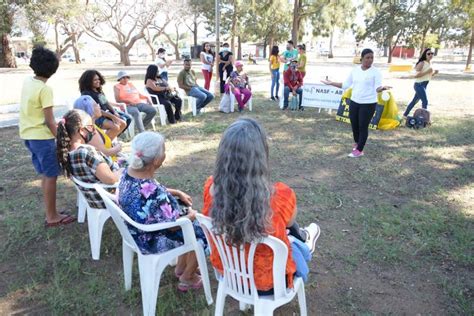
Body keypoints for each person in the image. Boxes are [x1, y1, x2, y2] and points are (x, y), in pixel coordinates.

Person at [202, 118, 320, 294]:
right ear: (261, 155)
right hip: (270, 283)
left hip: (230, 275)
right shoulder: (281, 195)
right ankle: (306, 241)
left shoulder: (210, 188)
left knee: (291, 242)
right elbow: (289, 224)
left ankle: (305, 241)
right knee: (293, 242)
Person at [118, 131, 206, 291]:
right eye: (164, 150)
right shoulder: (154, 193)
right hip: (151, 239)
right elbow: (173, 226)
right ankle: (188, 277)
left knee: (189, 222)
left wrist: (177, 193)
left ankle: (181, 268)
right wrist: (191, 216)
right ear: (157, 160)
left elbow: (149, 190)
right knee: (202, 230)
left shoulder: (128, 172)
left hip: (135, 231)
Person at [19, 46, 76, 227]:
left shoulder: (28, 81)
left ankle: (52, 212)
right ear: (53, 69)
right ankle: (52, 217)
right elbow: (50, 121)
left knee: (45, 174)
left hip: (28, 136)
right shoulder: (45, 90)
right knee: (51, 175)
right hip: (42, 138)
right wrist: (63, 141)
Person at [322, 48, 391, 158]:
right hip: (354, 101)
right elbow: (345, 85)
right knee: (354, 124)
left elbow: (377, 88)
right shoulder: (355, 70)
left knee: (363, 126)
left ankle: (359, 150)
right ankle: (357, 143)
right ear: (362, 58)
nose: (370, 60)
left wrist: (382, 88)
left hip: (368, 103)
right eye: (367, 57)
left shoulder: (376, 72)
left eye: (372, 57)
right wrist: (331, 83)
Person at [56, 109, 121, 210]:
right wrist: (122, 171)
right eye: (91, 127)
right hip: (109, 199)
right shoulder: (87, 152)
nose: (94, 131)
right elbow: (111, 179)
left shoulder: (65, 151)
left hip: (93, 199)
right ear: (81, 130)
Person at [79, 69, 131, 139]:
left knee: (127, 120)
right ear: (88, 81)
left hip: (106, 112)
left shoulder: (98, 90)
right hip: (96, 116)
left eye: (98, 79)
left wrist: (114, 112)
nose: (98, 81)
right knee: (116, 126)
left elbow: (105, 102)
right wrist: (113, 117)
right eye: (95, 80)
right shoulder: (87, 94)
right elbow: (97, 110)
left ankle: (110, 140)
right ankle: (104, 144)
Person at [73, 95, 122, 160]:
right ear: (90, 109)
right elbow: (104, 153)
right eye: (96, 105)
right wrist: (118, 147)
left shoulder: (92, 126)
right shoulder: (89, 130)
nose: (99, 106)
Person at [403, 48, 438, 118]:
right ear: (425, 55)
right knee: (425, 101)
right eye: (428, 54)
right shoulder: (422, 63)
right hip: (419, 85)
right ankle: (424, 119)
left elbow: (428, 76)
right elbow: (416, 76)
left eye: (432, 53)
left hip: (424, 85)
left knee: (414, 101)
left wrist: (434, 73)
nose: (430, 55)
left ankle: (404, 115)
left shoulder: (430, 63)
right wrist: (427, 71)